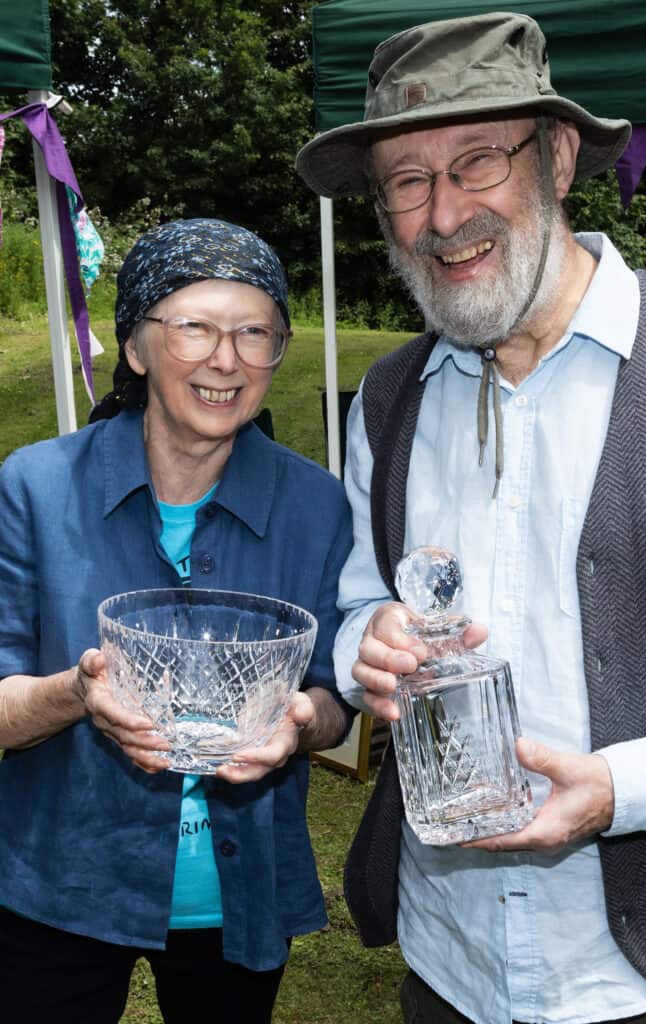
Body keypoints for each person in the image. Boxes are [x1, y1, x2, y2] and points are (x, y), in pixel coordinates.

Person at [295, 12, 646, 1024]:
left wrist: (617, 787)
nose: (441, 215)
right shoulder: (383, 402)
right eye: (406, 182)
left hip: (644, 974)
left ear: (555, 155)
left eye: (475, 162)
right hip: (446, 964)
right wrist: (360, 645)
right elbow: (353, 609)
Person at [0, 217, 354, 1024]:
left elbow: (336, 702)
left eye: (254, 332)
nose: (225, 359)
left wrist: (301, 719)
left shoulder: (315, 506)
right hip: (60, 881)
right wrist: (74, 694)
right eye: (193, 327)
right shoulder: (35, 488)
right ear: (135, 347)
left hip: (237, 893)